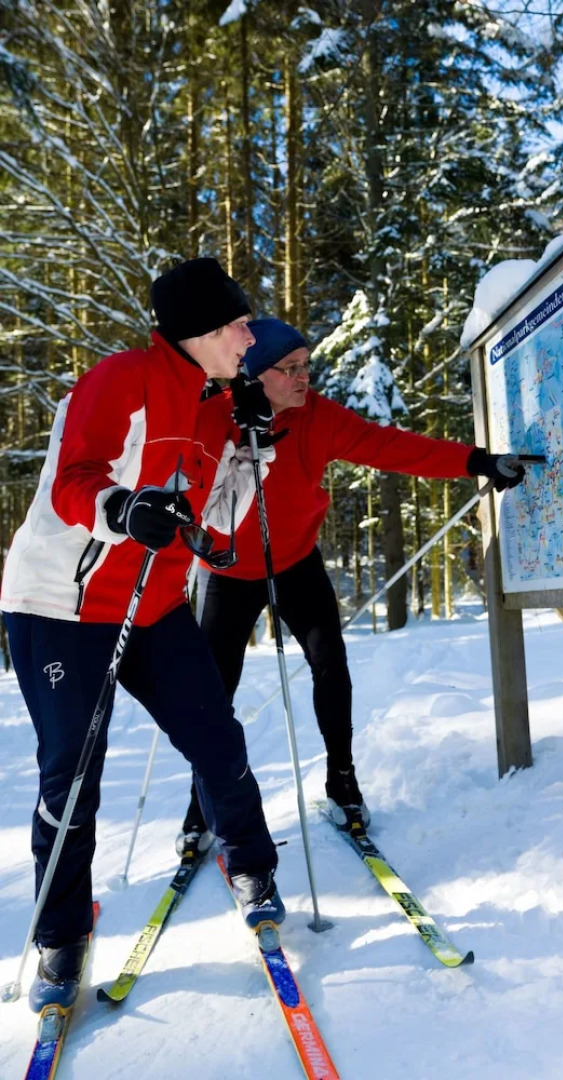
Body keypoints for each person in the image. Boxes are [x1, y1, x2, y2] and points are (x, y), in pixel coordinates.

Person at [1, 259, 284, 1011]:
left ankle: (251, 866)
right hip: (59, 607)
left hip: (152, 607)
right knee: (73, 770)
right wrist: (123, 509)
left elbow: (220, 518)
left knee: (216, 736)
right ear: (197, 332)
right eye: (237, 325)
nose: (249, 336)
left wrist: (259, 446)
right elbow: (72, 480)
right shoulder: (120, 379)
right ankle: (61, 939)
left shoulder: (219, 404)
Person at [177, 316, 525, 843]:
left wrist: (477, 461)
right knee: (212, 689)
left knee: (330, 665)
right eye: (289, 369)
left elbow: (393, 447)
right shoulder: (214, 418)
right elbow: (168, 458)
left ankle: (342, 780)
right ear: (251, 375)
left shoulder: (319, 417)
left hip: (295, 561)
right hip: (229, 572)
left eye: (306, 366)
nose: (303, 378)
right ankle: (203, 799)